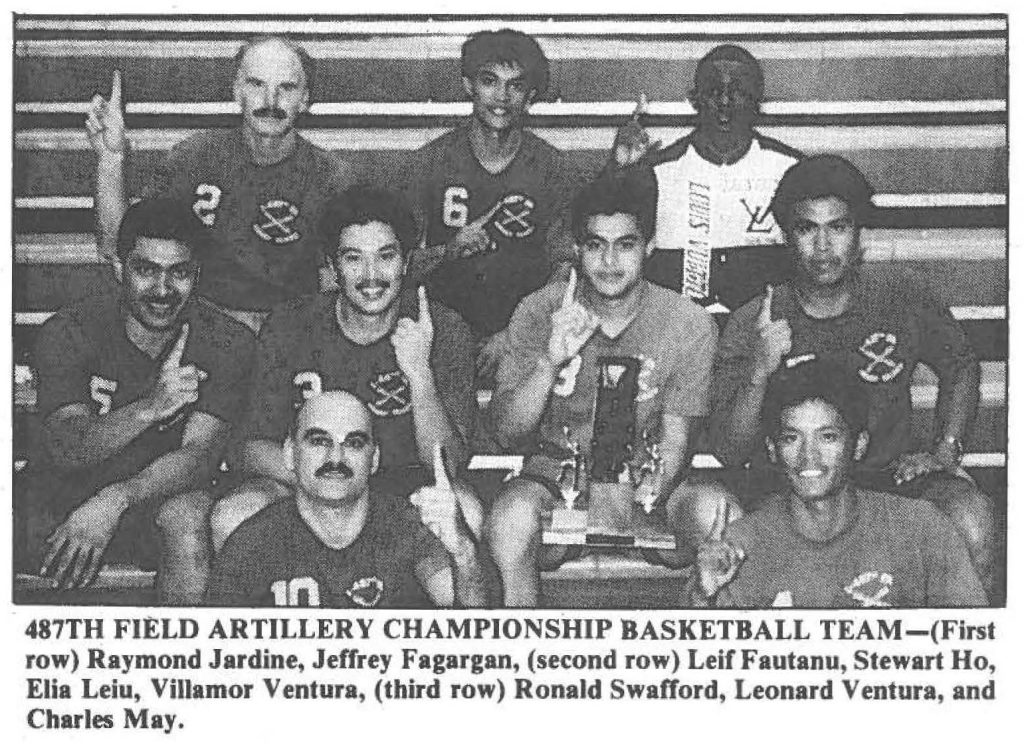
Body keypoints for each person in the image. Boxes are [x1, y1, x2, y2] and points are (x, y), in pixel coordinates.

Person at [709, 153, 998, 599]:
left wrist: (945, 451)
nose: (823, 247)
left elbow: (959, 364)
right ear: (787, 237)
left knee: (972, 517)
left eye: (837, 227)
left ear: (858, 233)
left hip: (887, 482)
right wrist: (759, 371)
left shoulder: (901, 297)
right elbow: (730, 452)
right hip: (793, 486)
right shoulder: (757, 320)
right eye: (807, 229)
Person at [485, 172, 722, 607]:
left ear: (649, 245)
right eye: (595, 244)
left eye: (626, 244)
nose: (609, 261)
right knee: (510, 518)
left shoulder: (688, 322)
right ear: (577, 249)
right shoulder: (540, 310)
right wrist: (550, 362)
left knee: (720, 519)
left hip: (651, 483)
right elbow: (507, 434)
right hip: (556, 479)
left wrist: (632, 501)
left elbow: (675, 444)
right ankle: (517, 655)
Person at [14, 198, 257, 604]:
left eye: (179, 273)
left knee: (190, 516)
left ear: (197, 276)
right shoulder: (70, 331)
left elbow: (200, 456)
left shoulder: (227, 340)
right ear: (118, 268)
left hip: (153, 499)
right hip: (62, 492)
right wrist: (151, 406)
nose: (162, 290)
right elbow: (68, 446)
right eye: (146, 270)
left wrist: (117, 499)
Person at [210, 185, 478, 551]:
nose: (371, 276)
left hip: (405, 490)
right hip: (309, 484)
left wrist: (420, 374)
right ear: (333, 267)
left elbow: (448, 468)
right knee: (235, 512)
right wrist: (336, 486)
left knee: (467, 509)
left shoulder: (443, 328)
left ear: (406, 262)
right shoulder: (292, 324)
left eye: (385, 257)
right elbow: (249, 448)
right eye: (354, 258)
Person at [86, 35, 357, 331]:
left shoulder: (330, 177)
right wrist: (111, 159)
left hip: (291, 335)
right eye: (256, 84)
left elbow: (336, 293)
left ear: (305, 99)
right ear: (236, 91)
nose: (270, 101)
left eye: (287, 88)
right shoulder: (194, 159)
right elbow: (115, 247)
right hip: (203, 335)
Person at [693, 362, 986, 607]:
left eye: (828, 437)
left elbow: (973, 647)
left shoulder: (922, 528)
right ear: (772, 449)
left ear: (858, 445)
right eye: (791, 438)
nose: (809, 456)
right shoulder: (738, 547)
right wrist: (704, 597)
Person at [401, 28, 585, 375]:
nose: (501, 96)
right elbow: (398, 266)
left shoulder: (554, 170)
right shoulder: (429, 164)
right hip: (442, 330)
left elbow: (565, 273)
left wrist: (515, 334)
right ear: (469, 85)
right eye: (489, 81)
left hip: (526, 335)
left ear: (530, 96)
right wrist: (448, 251)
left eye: (515, 85)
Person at [207, 391, 487, 607]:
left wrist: (463, 551)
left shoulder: (406, 526)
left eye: (353, 443)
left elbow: (475, 626)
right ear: (290, 453)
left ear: (374, 459)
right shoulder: (252, 543)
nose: (336, 458)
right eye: (319, 441)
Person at [612, 44, 801, 304]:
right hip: (680, 329)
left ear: (757, 101)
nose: (725, 102)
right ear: (695, 99)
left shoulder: (788, 168)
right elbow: (603, 233)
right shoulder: (658, 171)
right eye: (714, 92)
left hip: (762, 326)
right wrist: (619, 171)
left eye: (738, 92)